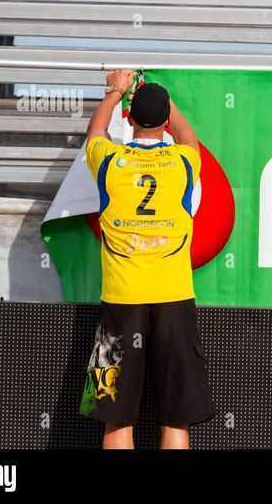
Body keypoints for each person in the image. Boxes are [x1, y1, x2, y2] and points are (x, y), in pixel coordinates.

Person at [79, 69, 215, 449]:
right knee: (177, 419)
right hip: (174, 299)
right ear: (167, 123)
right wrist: (163, 98)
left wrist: (114, 91)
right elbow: (190, 138)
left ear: (129, 118)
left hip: (120, 301)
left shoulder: (108, 161)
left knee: (114, 419)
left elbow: (94, 134)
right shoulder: (184, 163)